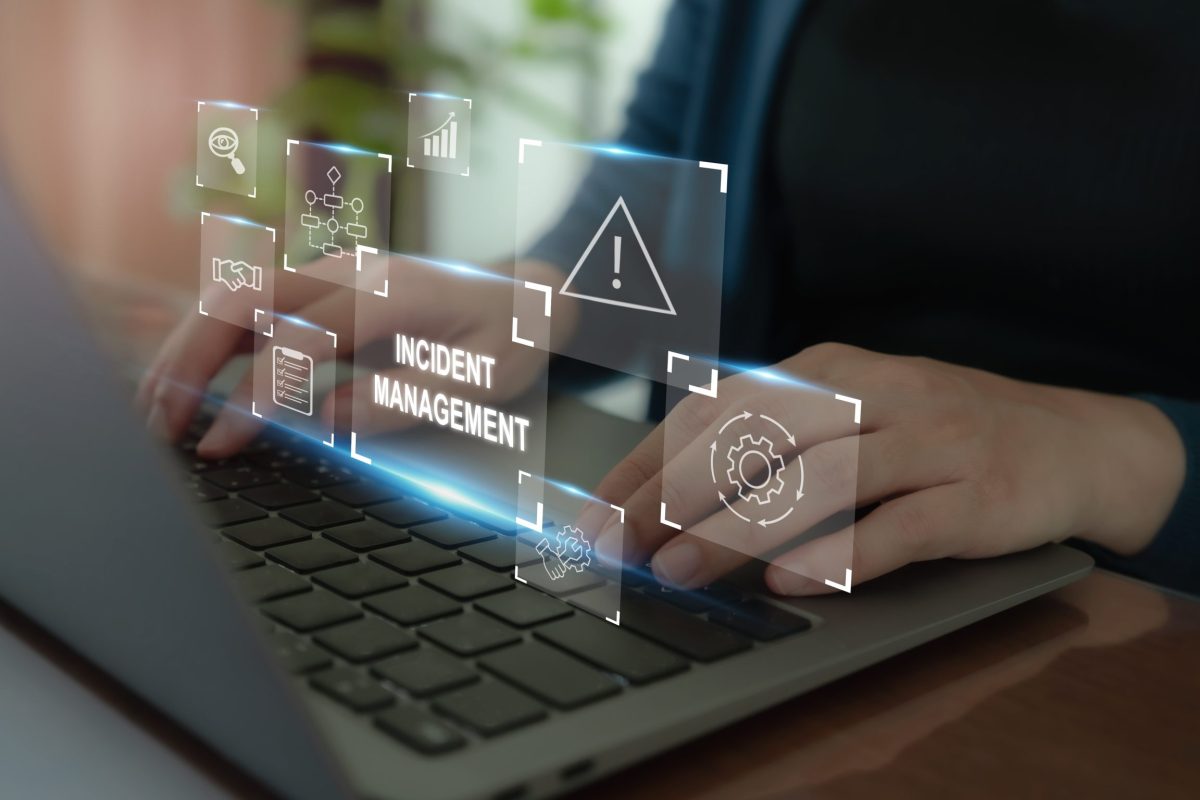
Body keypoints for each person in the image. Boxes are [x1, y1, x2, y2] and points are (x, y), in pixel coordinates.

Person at [142, 0, 1199, 595]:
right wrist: (535, 292)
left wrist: (1118, 452)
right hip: (737, 575)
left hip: (1114, 631)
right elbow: (669, 161)